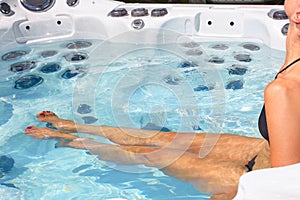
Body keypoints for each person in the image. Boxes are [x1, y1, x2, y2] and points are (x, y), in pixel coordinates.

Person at [24, 1, 300, 199]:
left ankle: (74, 142)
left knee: (149, 153)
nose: (297, 11)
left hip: (253, 181)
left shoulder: (284, 91)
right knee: (164, 138)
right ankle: (78, 127)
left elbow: (280, 187)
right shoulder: (295, 40)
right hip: (261, 150)